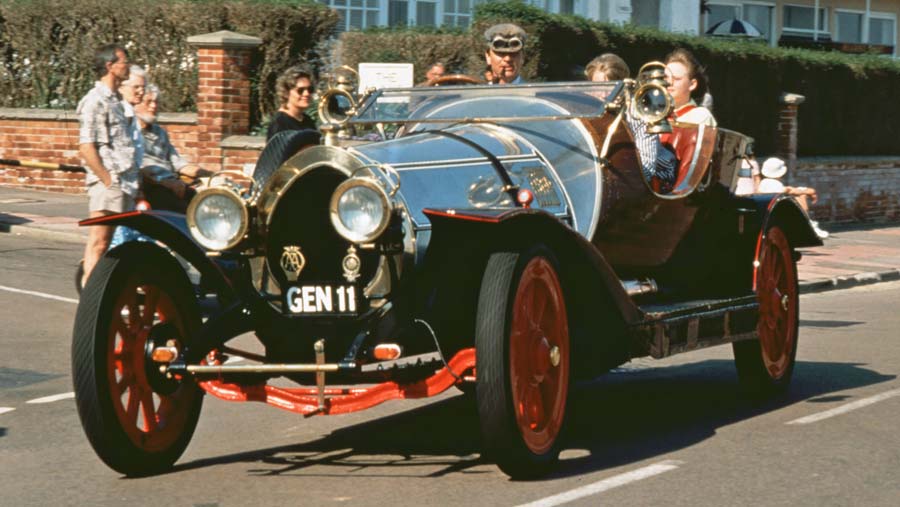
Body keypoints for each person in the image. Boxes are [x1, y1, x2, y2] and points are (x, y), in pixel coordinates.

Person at [77, 44, 139, 287]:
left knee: (113, 244)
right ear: (109, 66)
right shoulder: (94, 101)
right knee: (99, 242)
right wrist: (107, 179)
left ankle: (101, 294)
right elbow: (86, 146)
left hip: (124, 182)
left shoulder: (116, 100)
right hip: (110, 183)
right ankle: (89, 302)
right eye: (124, 61)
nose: (128, 65)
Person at [134, 84, 211, 213]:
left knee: (206, 204)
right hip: (151, 187)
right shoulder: (131, 134)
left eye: (156, 102)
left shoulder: (160, 132)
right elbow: (137, 170)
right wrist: (166, 183)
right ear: (136, 105)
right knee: (189, 215)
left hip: (174, 185)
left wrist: (210, 175)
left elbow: (180, 164)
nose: (153, 106)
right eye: (149, 102)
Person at [758, 157, 829, 239]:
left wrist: (804, 190)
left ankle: (809, 222)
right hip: (778, 211)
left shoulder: (763, 183)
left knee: (800, 193)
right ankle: (809, 222)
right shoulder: (777, 185)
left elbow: (791, 189)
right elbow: (793, 191)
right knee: (800, 196)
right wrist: (810, 191)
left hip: (767, 210)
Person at [664, 48, 716, 127]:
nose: (669, 83)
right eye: (666, 77)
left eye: (677, 79)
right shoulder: (654, 112)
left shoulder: (700, 117)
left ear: (692, 84)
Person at [266, 66, 317, 141]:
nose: (307, 93)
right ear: (286, 93)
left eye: (310, 89)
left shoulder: (308, 121)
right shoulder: (279, 124)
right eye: (300, 90)